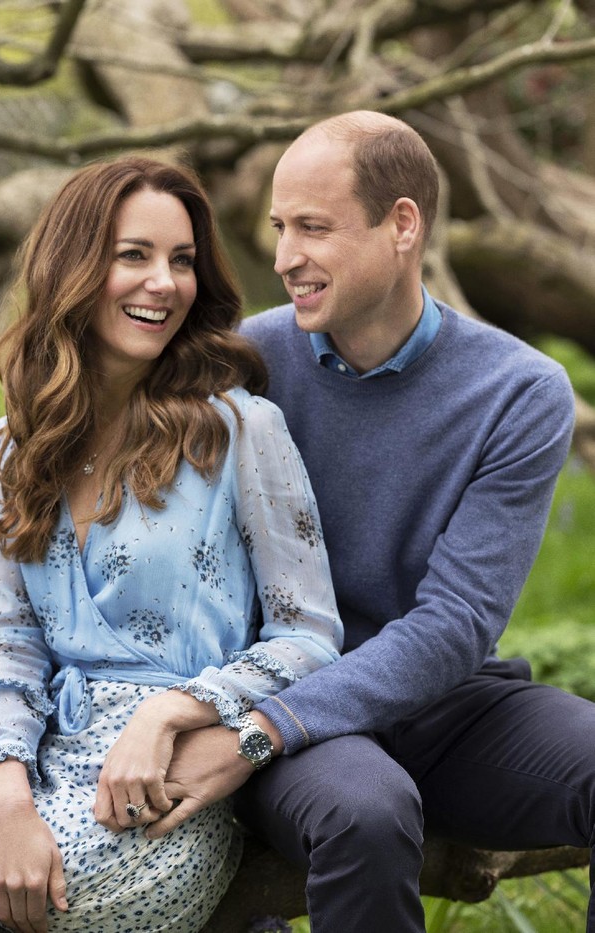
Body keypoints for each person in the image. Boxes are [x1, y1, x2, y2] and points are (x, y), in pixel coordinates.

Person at [131, 111, 595, 932]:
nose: (284, 258)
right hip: (287, 697)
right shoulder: (247, 366)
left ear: (402, 225)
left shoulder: (520, 392)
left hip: (439, 705)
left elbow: (456, 624)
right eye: (279, 228)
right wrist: (248, 720)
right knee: (366, 814)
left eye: (313, 227)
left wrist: (258, 734)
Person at [0, 154, 343, 933]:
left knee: (70, 885)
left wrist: (173, 710)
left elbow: (309, 634)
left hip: (163, 795)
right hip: (39, 753)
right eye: (132, 255)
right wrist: (4, 794)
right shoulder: (11, 449)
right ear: (72, 267)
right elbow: (7, 640)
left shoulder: (241, 432)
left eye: (181, 261)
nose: (164, 283)